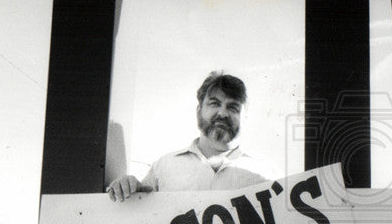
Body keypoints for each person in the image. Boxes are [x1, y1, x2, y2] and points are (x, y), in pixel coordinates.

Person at [107, 71, 275, 200]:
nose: (222, 113)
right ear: (198, 110)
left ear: (244, 117)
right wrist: (126, 189)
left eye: (233, 107)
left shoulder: (268, 173)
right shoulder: (164, 167)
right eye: (214, 103)